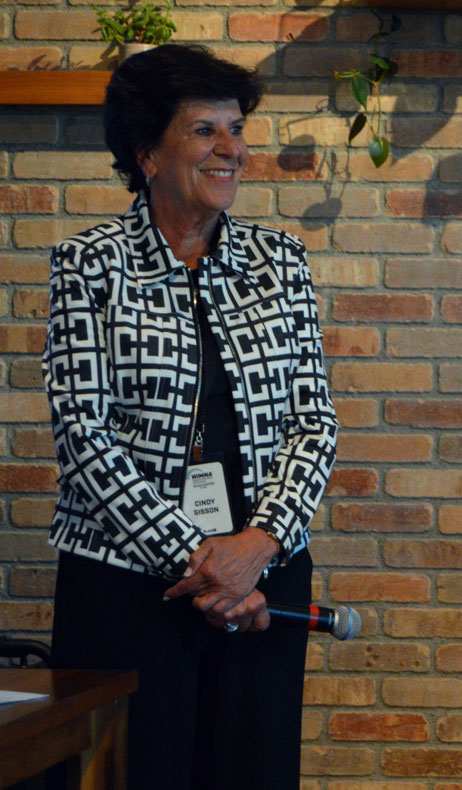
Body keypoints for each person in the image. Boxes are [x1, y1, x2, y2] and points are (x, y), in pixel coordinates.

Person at [43, 44, 338, 790]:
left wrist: (255, 548)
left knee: (252, 770)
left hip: (264, 579)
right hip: (130, 587)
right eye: (205, 130)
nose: (231, 149)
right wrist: (201, 564)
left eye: (235, 128)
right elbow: (85, 434)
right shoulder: (89, 265)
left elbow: (315, 421)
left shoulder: (282, 262)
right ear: (146, 151)